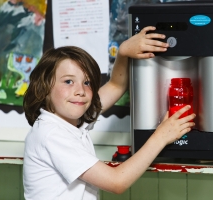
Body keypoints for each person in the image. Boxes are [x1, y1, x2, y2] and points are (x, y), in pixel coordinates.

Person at [23, 26, 196, 200]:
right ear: (44, 88)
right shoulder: (52, 134)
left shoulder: (72, 120)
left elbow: (116, 85)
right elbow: (116, 182)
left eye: (87, 82)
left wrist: (123, 53)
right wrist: (161, 136)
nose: (80, 91)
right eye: (68, 81)